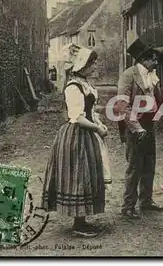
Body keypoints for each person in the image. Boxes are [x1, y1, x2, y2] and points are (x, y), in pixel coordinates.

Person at [41, 47, 109, 237]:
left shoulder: (84, 84)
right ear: (82, 65)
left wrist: (99, 123)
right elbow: (77, 117)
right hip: (75, 136)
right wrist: (96, 128)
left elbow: (90, 112)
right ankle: (78, 224)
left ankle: (82, 219)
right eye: (92, 63)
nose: (95, 66)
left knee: (87, 174)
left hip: (86, 133)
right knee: (78, 175)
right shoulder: (73, 87)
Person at [115, 38, 163, 220]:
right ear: (144, 59)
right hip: (134, 126)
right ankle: (128, 206)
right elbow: (122, 104)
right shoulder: (128, 75)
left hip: (149, 123)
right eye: (153, 58)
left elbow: (158, 99)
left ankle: (146, 200)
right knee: (134, 166)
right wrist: (136, 127)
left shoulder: (152, 76)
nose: (156, 61)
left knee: (149, 163)